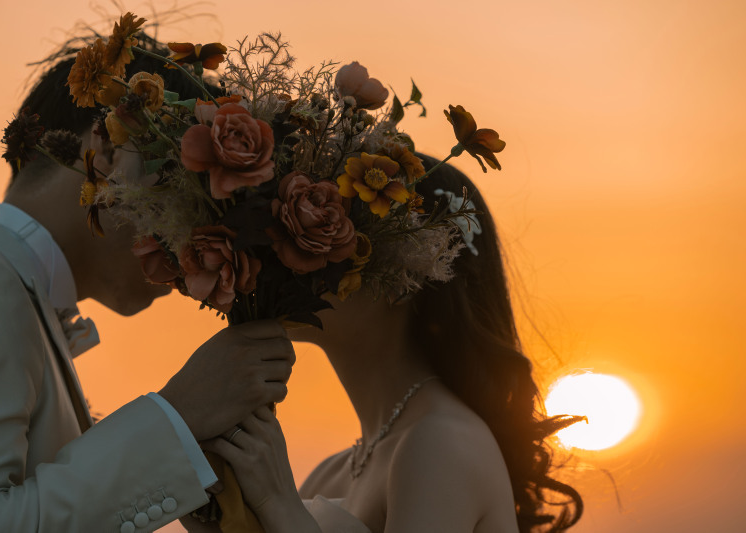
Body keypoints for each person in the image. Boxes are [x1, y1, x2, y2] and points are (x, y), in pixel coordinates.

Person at [0, 37, 296, 532]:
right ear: (110, 148)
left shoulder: (13, 294)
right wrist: (178, 416)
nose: (192, 251)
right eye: (186, 198)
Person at [200, 156, 584, 533]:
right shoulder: (331, 473)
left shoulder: (441, 441)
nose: (293, 256)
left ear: (403, 280)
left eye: (333, 240)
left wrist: (277, 503)